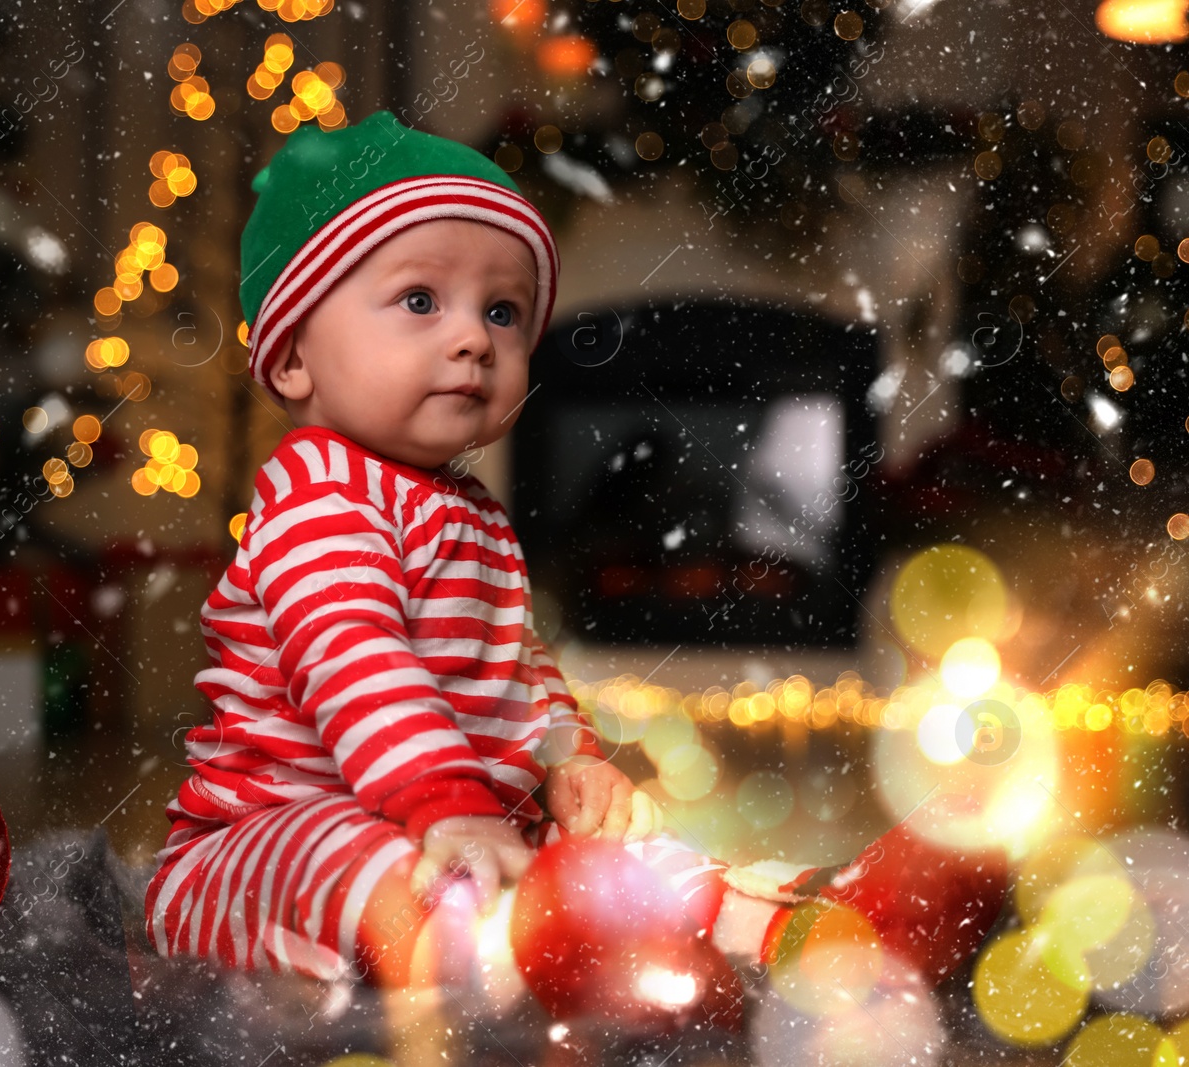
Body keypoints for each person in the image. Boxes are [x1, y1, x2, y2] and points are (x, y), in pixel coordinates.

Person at [142, 111, 998, 1000]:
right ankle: (504, 956)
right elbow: (353, 657)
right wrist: (449, 803)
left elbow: (517, 666)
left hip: (468, 821)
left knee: (627, 853)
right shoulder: (318, 495)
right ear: (290, 360)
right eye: (421, 301)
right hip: (268, 832)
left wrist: (572, 758)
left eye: (502, 312)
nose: (473, 337)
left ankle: (784, 922)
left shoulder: (471, 512)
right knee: (347, 857)